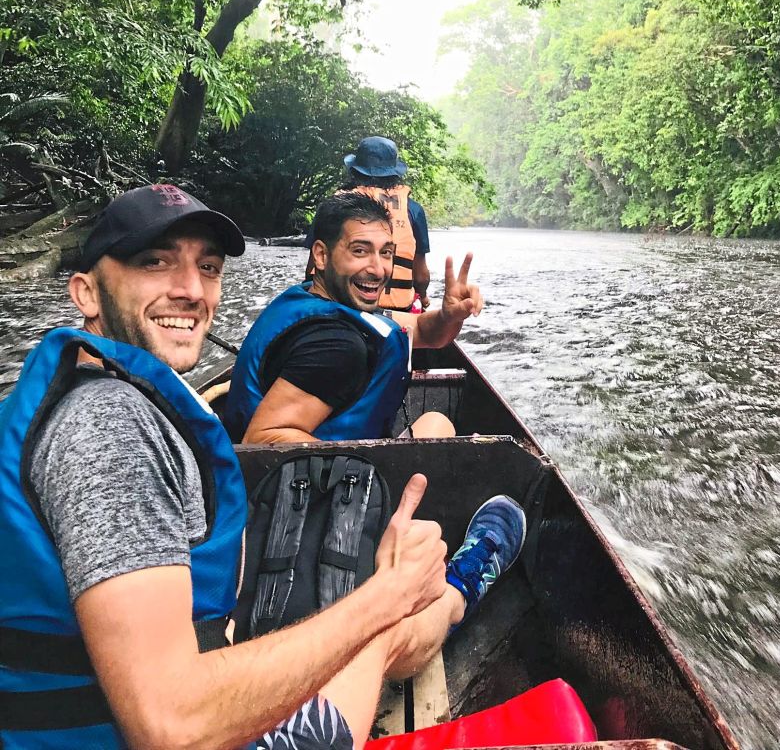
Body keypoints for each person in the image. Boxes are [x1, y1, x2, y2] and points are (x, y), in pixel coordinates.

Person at [0, 184, 526, 750]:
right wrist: (387, 595)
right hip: (179, 730)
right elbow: (171, 727)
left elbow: (415, 330)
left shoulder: (93, 382)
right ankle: (463, 585)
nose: (190, 289)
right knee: (388, 629)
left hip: (148, 679)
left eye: (207, 268)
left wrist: (445, 315)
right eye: (154, 263)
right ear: (87, 292)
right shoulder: (106, 430)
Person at [228, 191, 478, 446]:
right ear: (322, 255)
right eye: (360, 251)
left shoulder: (313, 299)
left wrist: (449, 316)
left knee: (436, 423)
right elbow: (260, 441)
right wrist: (370, 463)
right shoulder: (337, 346)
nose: (378, 269)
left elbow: (425, 333)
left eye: (386, 253)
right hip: (304, 481)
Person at [305, 137, 430, 311]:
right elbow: (421, 276)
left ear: (355, 171)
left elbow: (313, 266)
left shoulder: (334, 205)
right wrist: (423, 297)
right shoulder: (413, 210)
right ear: (395, 173)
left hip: (338, 305)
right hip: (397, 310)